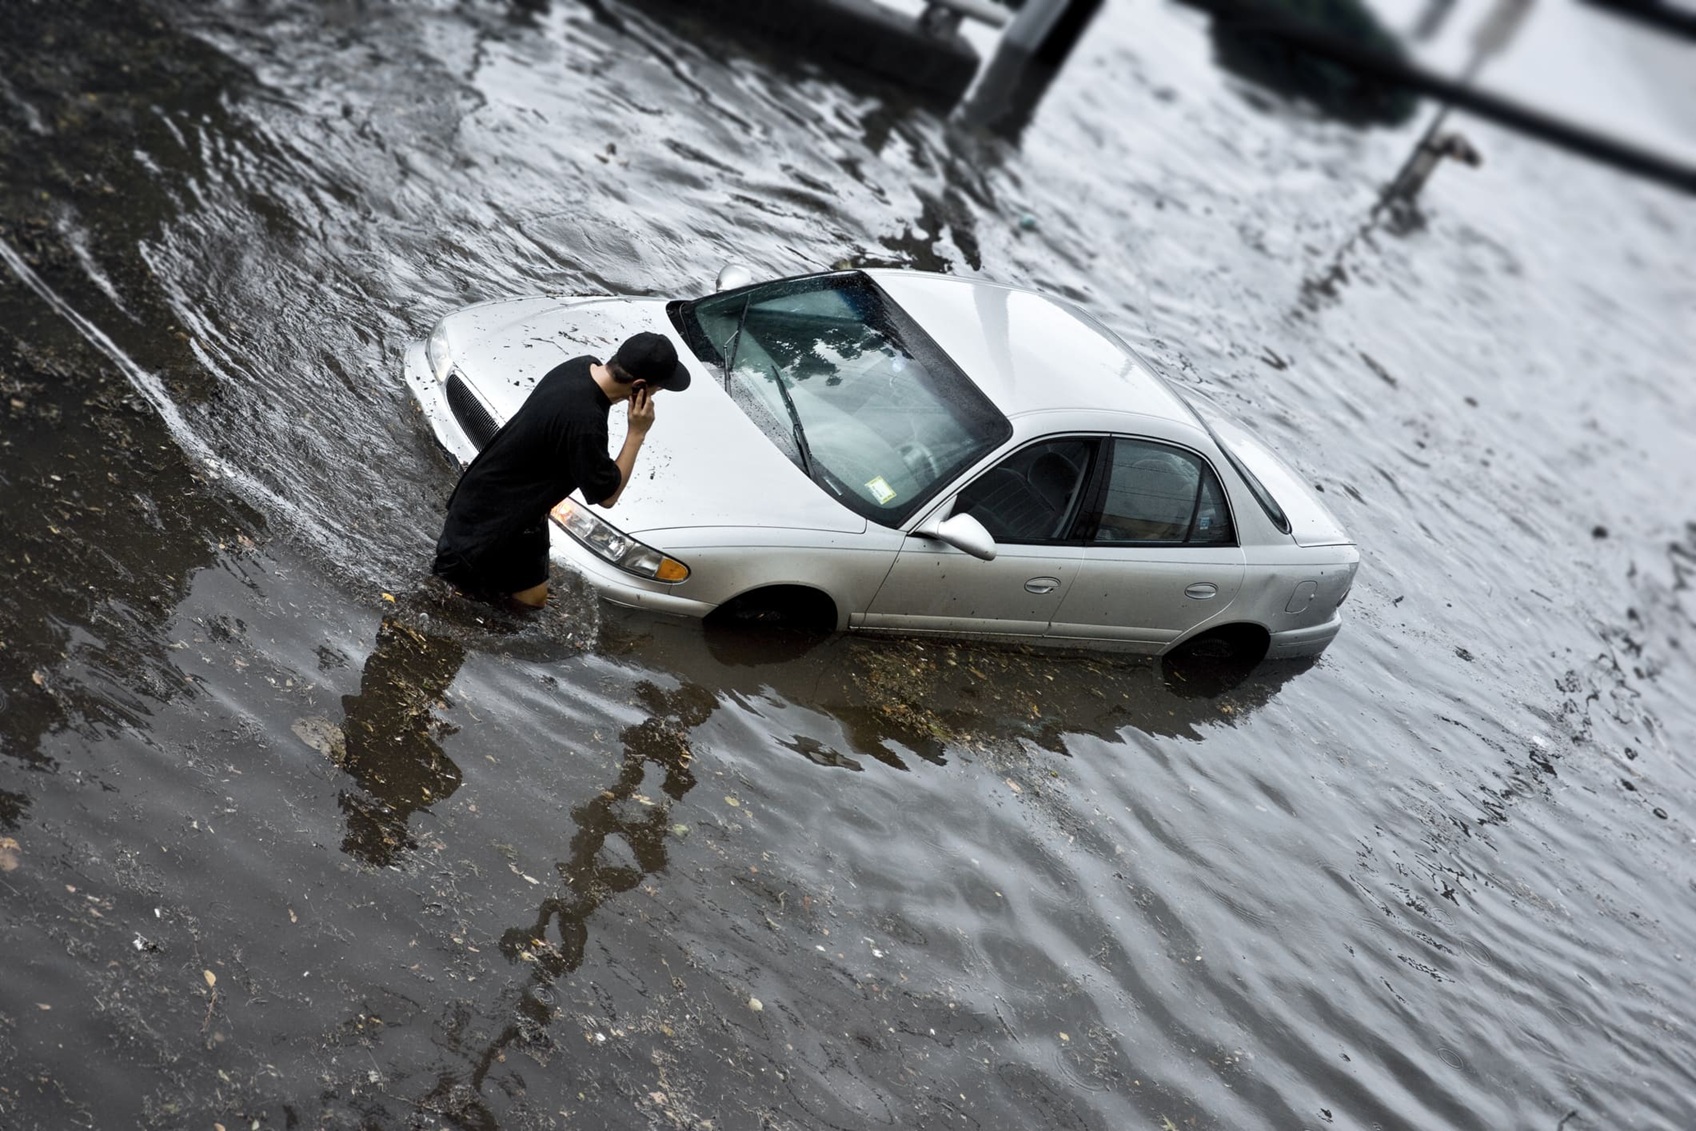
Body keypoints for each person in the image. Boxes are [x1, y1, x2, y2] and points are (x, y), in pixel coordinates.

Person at [431, 331, 691, 608]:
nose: (655, 395)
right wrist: (637, 433)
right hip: (485, 526)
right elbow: (608, 495)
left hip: (518, 511)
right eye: (657, 389)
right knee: (448, 601)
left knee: (533, 601)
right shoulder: (584, 420)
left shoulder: (580, 366)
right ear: (639, 386)